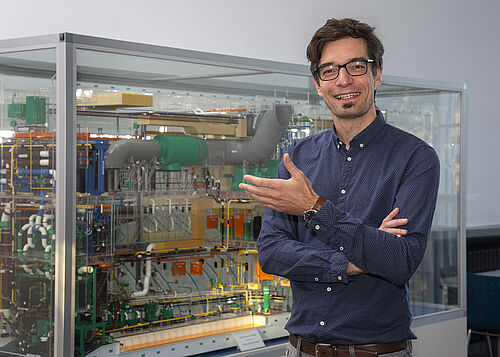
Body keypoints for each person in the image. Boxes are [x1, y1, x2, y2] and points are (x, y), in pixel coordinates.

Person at [239, 18, 440, 357]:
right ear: (318, 84)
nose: (343, 80)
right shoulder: (297, 158)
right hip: (301, 350)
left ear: (376, 75)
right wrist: (354, 259)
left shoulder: (416, 159)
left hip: (377, 351)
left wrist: (314, 206)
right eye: (329, 70)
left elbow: (401, 260)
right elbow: (272, 252)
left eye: (356, 67)